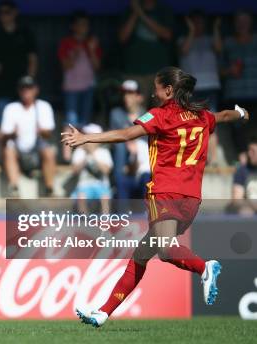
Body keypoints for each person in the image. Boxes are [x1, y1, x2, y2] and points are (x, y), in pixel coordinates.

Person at [62, 66, 250, 327]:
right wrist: (241, 113)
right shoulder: (202, 116)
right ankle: (103, 312)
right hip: (191, 200)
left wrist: (86, 138)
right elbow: (225, 115)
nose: (153, 92)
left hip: (165, 193)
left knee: (164, 249)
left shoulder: (161, 115)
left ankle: (205, 268)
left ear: (169, 90)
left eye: (157, 87)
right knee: (141, 255)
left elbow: (127, 134)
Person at [0, 76, 56, 197]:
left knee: (49, 152)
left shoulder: (44, 106)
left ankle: (50, 188)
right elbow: (3, 136)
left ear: (36, 90)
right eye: (23, 88)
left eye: (29, 88)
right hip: (18, 150)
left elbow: (48, 134)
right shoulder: (11, 108)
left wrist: (41, 131)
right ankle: (14, 188)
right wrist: (12, 134)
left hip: (37, 150)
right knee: (8, 150)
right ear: (19, 90)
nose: (26, 91)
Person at [118, 0, 173, 104]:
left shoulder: (164, 10)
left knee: (160, 112)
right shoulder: (128, 11)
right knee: (137, 113)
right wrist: (135, 12)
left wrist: (140, 13)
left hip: (158, 74)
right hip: (134, 72)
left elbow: (167, 34)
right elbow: (122, 38)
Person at [221, 10, 257, 161]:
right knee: (238, 131)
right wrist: (229, 70)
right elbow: (218, 70)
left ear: (251, 23)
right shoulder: (227, 43)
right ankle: (242, 163)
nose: (242, 24)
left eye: (245, 20)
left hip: (255, 94)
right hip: (235, 94)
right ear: (234, 24)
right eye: (239, 21)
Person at [109, 80, 151, 205]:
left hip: (142, 157)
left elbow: (147, 138)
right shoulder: (116, 113)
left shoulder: (147, 115)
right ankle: (118, 181)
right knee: (120, 147)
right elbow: (113, 137)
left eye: (131, 93)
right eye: (125, 93)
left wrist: (136, 144)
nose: (126, 97)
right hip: (124, 158)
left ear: (139, 97)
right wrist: (129, 143)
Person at [58, 11, 101, 127]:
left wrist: (91, 50)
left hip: (88, 87)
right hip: (71, 87)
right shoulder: (66, 42)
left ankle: (82, 145)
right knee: (71, 122)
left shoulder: (92, 42)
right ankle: (70, 145)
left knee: (85, 122)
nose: (84, 27)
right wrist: (76, 52)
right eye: (81, 24)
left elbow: (97, 67)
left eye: (86, 24)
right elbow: (65, 66)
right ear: (73, 26)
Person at [178, 10, 222, 112]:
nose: (197, 25)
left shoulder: (211, 39)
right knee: (191, 121)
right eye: (194, 22)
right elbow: (184, 50)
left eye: (200, 22)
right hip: (190, 87)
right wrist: (192, 30)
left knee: (211, 119)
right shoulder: (182, 40)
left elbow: (219, 49)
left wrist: (215, 28)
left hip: (210, 85)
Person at [70, 123, 113, 213]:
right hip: (83, 186)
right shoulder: (79, 151)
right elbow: (75, 171)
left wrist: (93, 154)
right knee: (81, 197)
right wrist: (86, 156)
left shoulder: (104, 152)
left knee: (105, 197)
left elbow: (106, 171)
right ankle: (85, 223)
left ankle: (105, 223)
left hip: (102, 186)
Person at [230, 138, 257, 216]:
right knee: (244, 211)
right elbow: (237, 199)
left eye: (253, 151)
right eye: (249, 150)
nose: (249, 154)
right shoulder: (242, 171)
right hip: (250, 212)